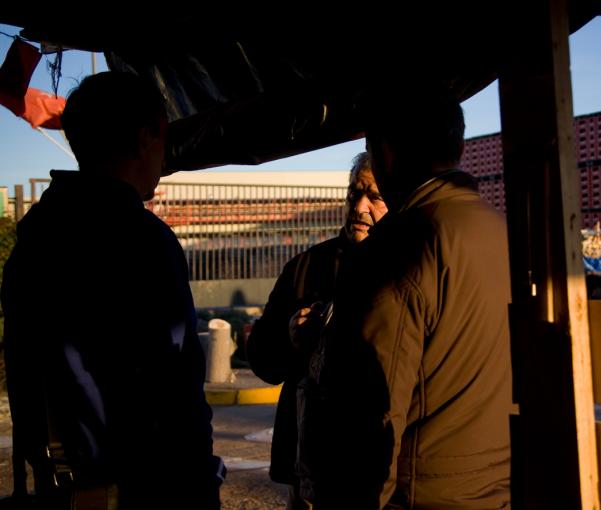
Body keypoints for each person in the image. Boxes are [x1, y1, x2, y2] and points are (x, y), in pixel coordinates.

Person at [1, 72, 224, 509]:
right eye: (163, 140)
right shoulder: (142, 240)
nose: (165, 157)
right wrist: (201, 484)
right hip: (136, 486)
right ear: (145, 139)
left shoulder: (34, 237)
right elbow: (174, 389)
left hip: (53, 485)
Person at [298, 84, 513, 509]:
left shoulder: (396, 246)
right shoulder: (501, 230)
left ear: (386, 152)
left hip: (418, 495)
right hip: (494, 490)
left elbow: (373, 416)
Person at [246, 152, 388, 502]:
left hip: (379, 467)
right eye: (354, 194)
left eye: (375, 197)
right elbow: (263, 362)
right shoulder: (304, 267)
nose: (359, 208)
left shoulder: (408, 268)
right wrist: (290, 338)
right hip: (309, 468)